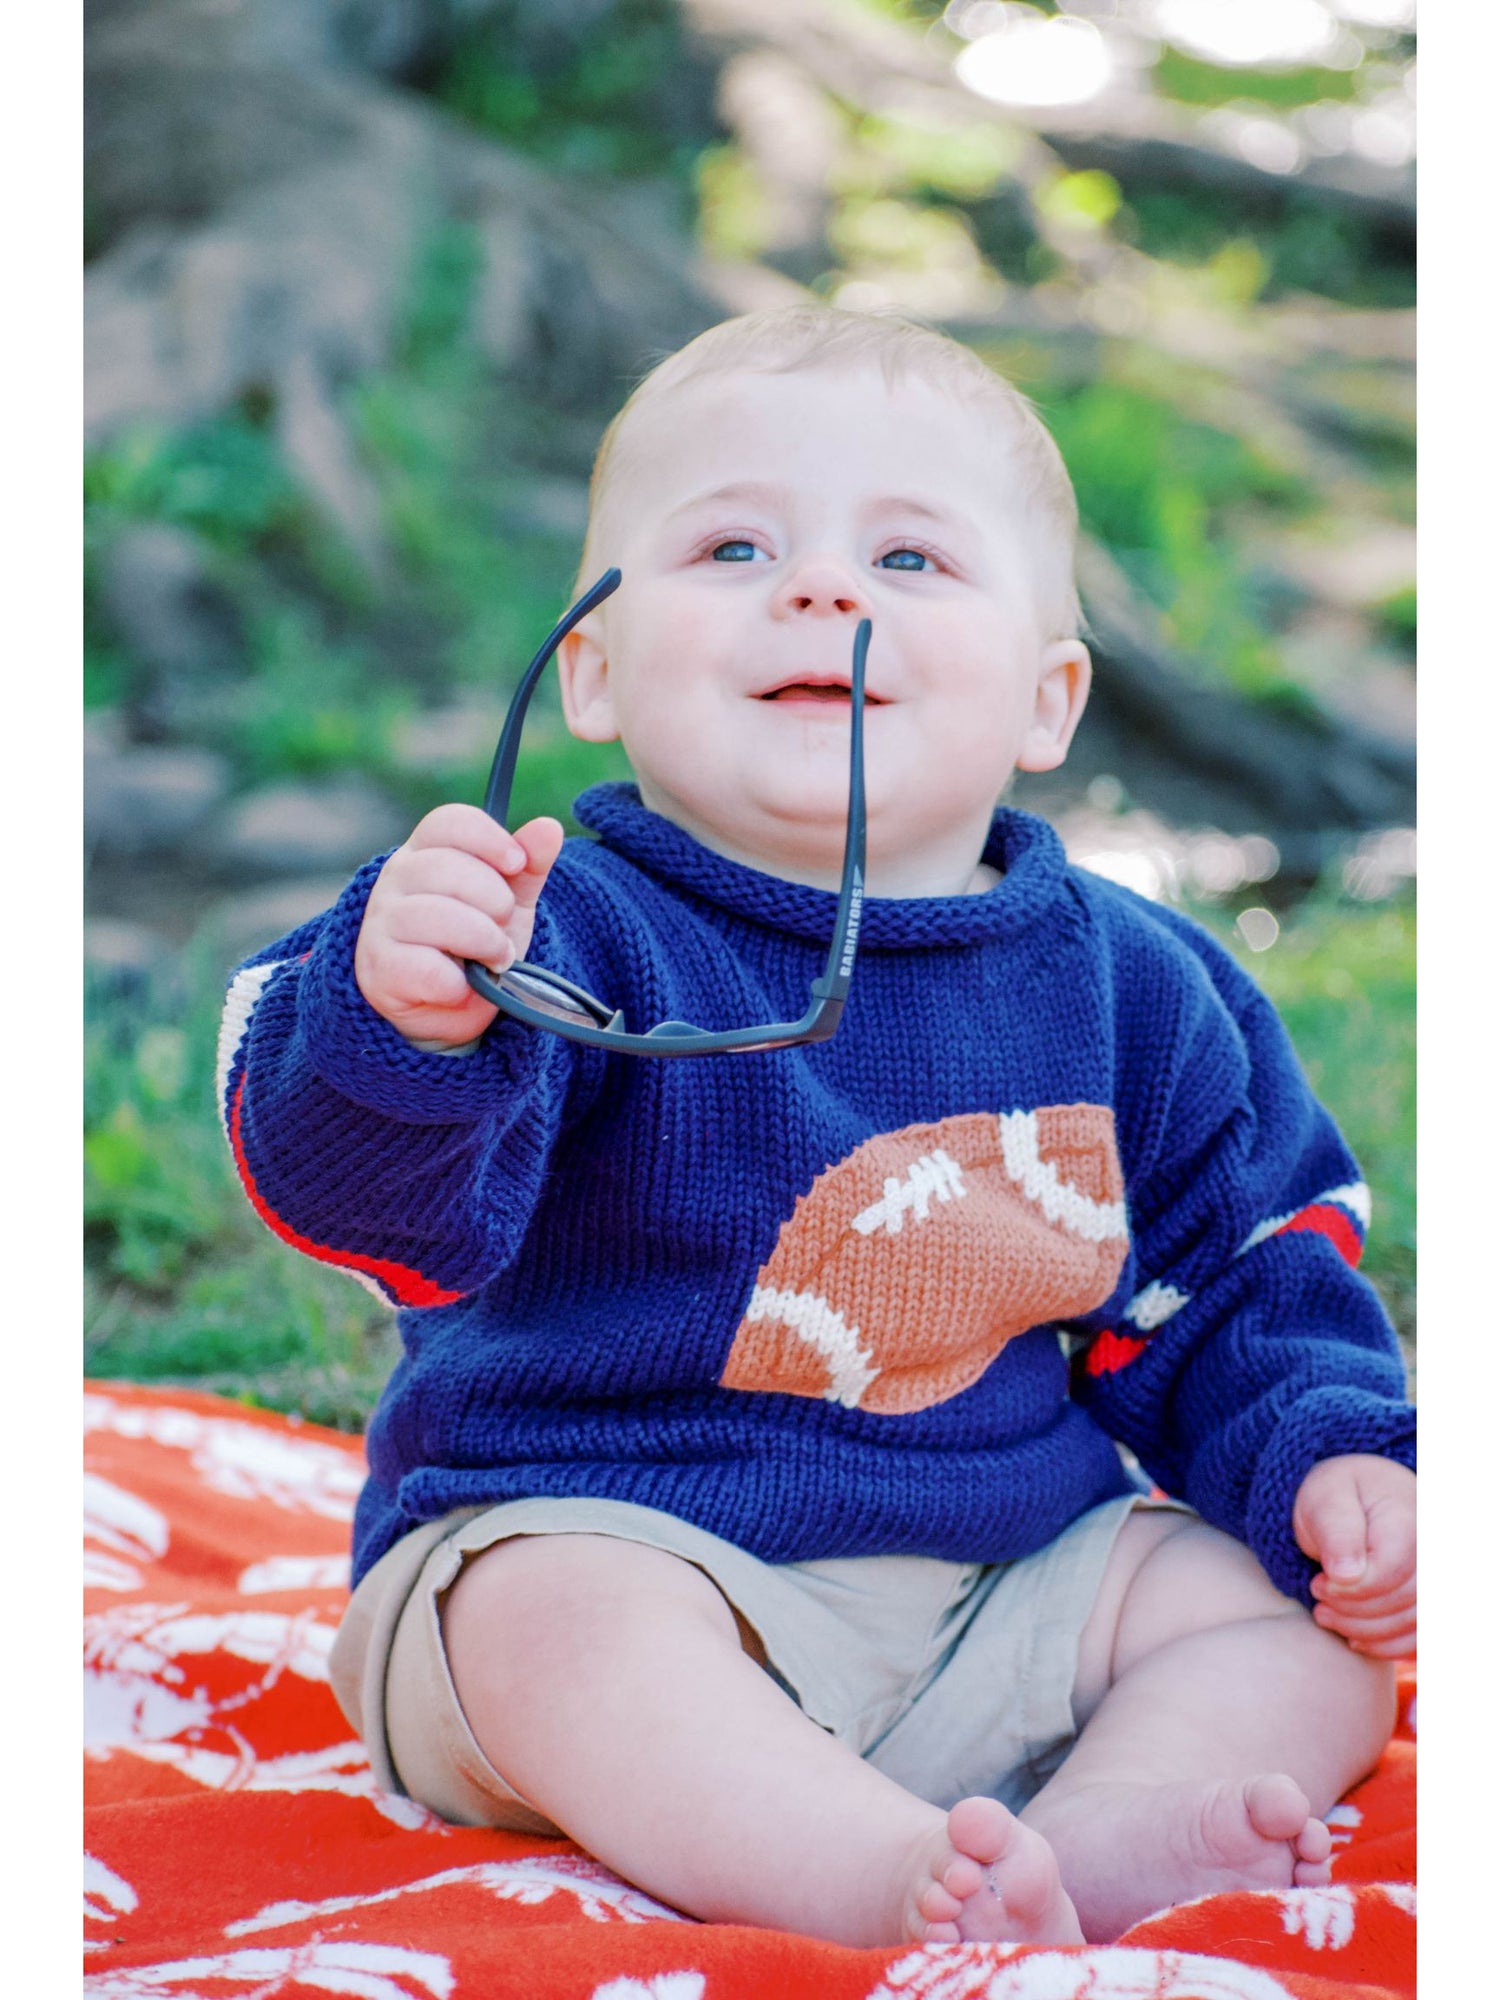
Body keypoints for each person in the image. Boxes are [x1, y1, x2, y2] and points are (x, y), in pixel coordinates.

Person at [218, 307, 1415, 1950]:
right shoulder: (551, 931)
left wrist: (1331, 1461)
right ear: (591, 666)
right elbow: (376, 1213)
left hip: (1007, 1578)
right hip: (623, 1542)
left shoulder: (1138, 990)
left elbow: (1238, 1283)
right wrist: (397, 1023)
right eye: (733, 544)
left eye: (910, 561)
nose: (823, 592)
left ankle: (1104, 1831)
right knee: (557, 1624)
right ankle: (872, 1881)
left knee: (1293, 1632)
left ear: (1047, 700)